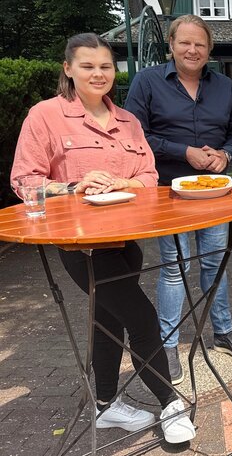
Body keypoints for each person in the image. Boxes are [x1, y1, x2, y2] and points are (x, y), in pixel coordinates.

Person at [10, 33, 195, 444]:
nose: (98, 74)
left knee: (107, 319)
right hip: (81, 244)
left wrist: (124, 179)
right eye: (88, 66)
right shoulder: (45, 116)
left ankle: (107, 406)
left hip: (127, 241)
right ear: (68, 69)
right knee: (142, 317)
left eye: (106, 66)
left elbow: (149, 176)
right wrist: (73, 185)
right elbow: (24, 182)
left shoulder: (127, 121)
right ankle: (170, 403)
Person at [125, 15, 232, 386]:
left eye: (200, 44)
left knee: (215, 263)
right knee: (174, 268)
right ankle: (167, 344)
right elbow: (134, 136)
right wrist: (184, 152)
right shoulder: (147, 81)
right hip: (168, 191)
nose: (192, 50)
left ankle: (224, 331)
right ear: (171, 44)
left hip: (214, 191)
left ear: (209, 49)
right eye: (185, 42)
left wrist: (225, 155)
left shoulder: (224, 86)